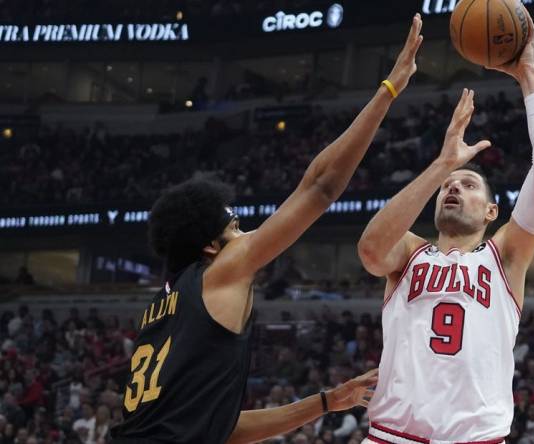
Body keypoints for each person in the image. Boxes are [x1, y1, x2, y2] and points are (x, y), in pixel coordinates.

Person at [110, 14, 426, 444]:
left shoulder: (161, 310)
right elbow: (320, 187)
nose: (247, 235)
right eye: (236, 227)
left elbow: (223, 429)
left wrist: (327, 402)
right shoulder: (221, 272)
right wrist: (388, 91)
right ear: (209, 246)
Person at [357, 12, 534, 443]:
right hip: (391, 436)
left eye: (468, 184)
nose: (453, 188)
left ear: (492, 212)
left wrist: (527, 73)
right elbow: (370, 251)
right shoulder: (409, 252)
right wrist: (442, 165)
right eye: (447, 187)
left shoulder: (506, 255)